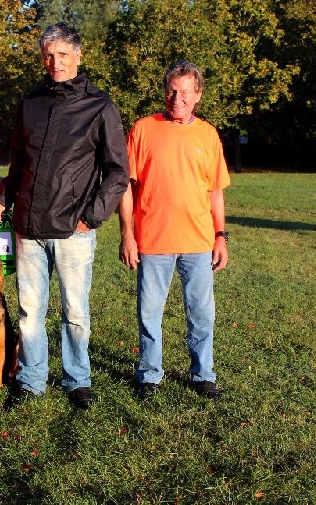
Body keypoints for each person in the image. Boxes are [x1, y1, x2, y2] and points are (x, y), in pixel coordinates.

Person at [0, 23, 129, 409]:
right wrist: (4, 195)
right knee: (30, 310)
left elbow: (117, 172)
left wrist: (91, 216)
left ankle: (76, 379)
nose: (55, 63)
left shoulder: (100, 106)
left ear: (78, 56)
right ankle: (32, 378)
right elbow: (19, 159)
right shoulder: (30, 103)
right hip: (28, 227)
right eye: (48, 56)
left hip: (74, 229)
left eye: (63, 55)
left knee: (75, 311)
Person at [118, 60, 231, 401]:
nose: (176, 97)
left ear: (198, 95)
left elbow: (215, 190)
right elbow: (125, 185)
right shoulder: (143, 129)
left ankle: (202, 375)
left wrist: (221, 236)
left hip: (198, 241)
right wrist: (127, 234)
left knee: (201, 314)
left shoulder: (208, 134)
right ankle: (150, 374)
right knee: (149, 313)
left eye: (184, 91)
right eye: (171, 90)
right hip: (153, 241)